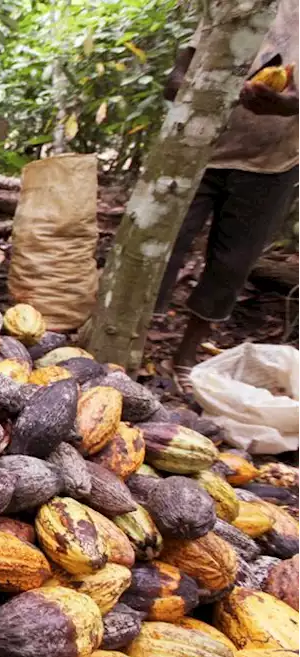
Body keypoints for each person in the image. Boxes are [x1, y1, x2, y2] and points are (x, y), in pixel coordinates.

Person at [158, 0, 300, 386]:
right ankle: (132, 336)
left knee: (232, 264)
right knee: (163, 247)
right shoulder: (232, 7)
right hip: (198, 153)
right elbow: (175, 81)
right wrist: (217, 88)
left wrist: (289, 105)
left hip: (271, 162)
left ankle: (185, 360)